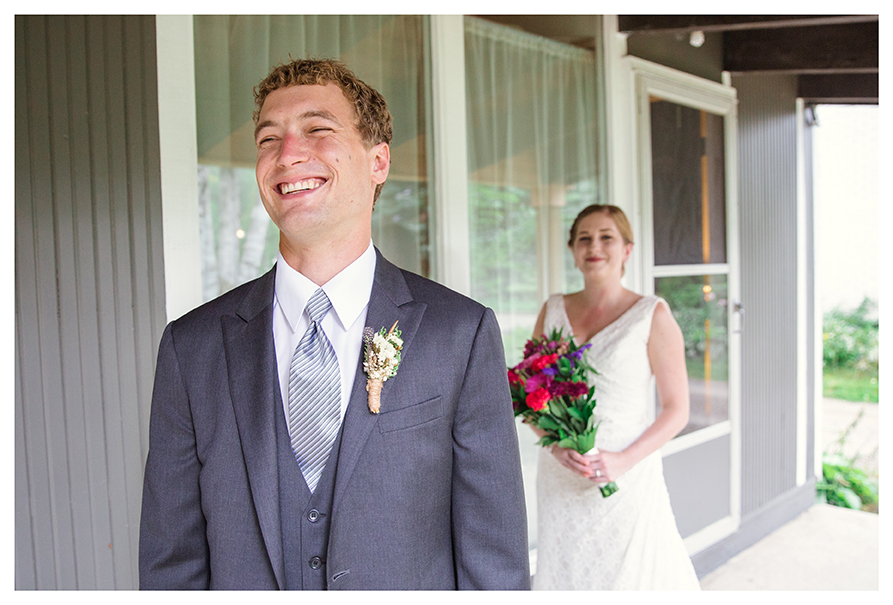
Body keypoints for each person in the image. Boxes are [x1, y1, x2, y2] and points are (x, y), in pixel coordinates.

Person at [139, 58, 530, 590]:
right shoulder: (192, 347)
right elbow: (170, 562)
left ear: (378, 162)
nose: (287, 155)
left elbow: (494, 562)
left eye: (317, 130)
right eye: (268, 139)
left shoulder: (460, 334)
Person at [530, 204, 700, 590]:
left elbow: (678, 410)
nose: (595, 246)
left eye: (607, 237)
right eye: (584, 238)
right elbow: (530, 396)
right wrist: (554, 447)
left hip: (627, 475)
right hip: (562, 474)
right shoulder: (552, 309)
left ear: (627, 249)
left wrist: (623, 462)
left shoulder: (652, 314)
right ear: (573, 250)